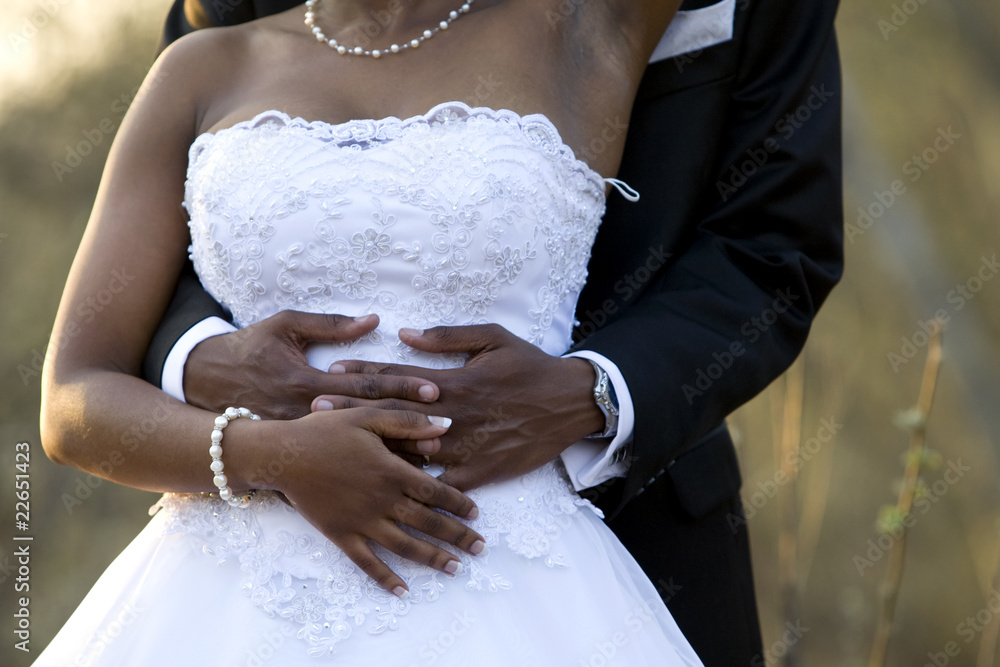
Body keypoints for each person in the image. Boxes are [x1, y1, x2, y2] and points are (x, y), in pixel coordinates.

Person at [145, 0, 844, 665]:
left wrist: (591, 391)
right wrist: (204, 360)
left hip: (634, 521)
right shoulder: (218, 50)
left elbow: (772, 246)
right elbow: (183, 207)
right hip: (255, 544)